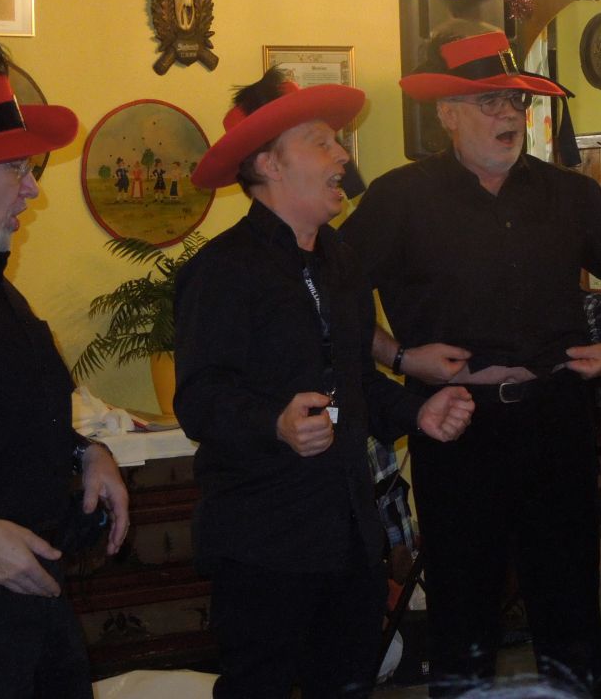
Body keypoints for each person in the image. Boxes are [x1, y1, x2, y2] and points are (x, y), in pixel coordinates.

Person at [338, 27, 601, 698]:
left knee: (569, 603)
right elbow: (332, 298)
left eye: (516, 100)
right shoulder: (399, 198)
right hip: (457, 422)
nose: (509, 114)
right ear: (447, 113)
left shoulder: (569, 195)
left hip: (556, 416)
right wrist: (400, 355)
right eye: (489, 102)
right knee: (463, 607)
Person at [174, 68, 475, 699]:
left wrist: (418, 413)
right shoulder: (221, 270)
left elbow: (357, 381)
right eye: (321, 142)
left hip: (349, 538)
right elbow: (199, 399)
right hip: (263, 542)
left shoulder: (341, 260)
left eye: (337, 141)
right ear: (269, 165)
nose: (342, 156)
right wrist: (274, 423)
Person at [0, 34, 130, 697]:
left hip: (29, 610)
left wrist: (85, 452)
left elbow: (9, 416)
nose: (33, 189)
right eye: (17, 167)